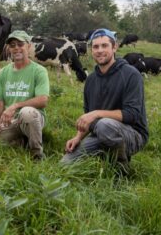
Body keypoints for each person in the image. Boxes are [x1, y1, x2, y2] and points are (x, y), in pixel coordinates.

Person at [60, 28, 148, 174]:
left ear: (114, 47)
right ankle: (105, 153)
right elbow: (89, 118)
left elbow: (132, 115)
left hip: (132, 134)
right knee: (65, 166)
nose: (100, 50)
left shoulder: (131, 74)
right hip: (100, 133)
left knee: (104, 124)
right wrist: (77, 137)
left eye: (104, 45)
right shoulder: (91, 80)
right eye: (95, 46)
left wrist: (96, 114)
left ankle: (121, 170)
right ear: (91, 50)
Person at [0, 30, 50, 160]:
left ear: (28, 46)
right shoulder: (3, 72)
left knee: (27, 112)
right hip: (10, 120)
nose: (16, 48)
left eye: (20, 44)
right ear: (9, 48)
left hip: (33, 118)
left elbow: (43, 100)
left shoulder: (39, 71)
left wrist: (15, 106)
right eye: (12, 45)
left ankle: (37, 154)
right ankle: (21, 140)